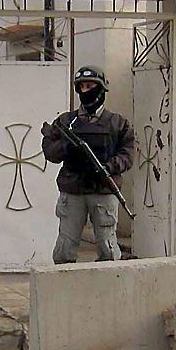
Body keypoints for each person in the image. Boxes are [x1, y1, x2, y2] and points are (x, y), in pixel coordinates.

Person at [41, 65, 135, 264]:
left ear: (101, 88)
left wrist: (108, 168)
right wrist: (66, 147)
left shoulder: (118, 124)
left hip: (103, 189)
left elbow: (127, 155)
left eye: (90, 85)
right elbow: (50, 150)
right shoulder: (67, 122)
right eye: (81, 86)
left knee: (107, 247)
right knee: (65, 248)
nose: (85, 90)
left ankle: (109, 289)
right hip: (73, 190)